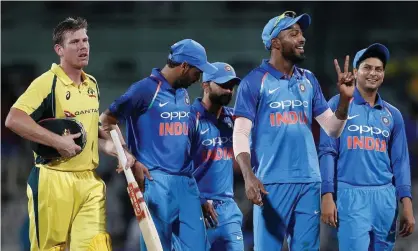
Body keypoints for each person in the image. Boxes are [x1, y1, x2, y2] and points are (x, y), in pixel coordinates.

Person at [5, 17, 134, 250]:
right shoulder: (47, 83)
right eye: (74, 42)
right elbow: (14, 119)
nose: (83, 46)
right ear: (59, 50)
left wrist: (111, 148)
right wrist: (57, 141)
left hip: (89, 181)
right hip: (54, 179)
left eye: (85, 40)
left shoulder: (92, 83)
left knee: (96, 246)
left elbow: (88, 130)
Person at [232, 10, 355, 250]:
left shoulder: (309, 79)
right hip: (271, 183)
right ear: (275, 43)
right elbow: (240, 134)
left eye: (302, 33)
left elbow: (332, 129)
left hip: (310, 181)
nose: (302, 38)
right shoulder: (254, 81)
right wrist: (248, 176)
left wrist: (344, 100)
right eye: (294, 33)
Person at [99, 39, 218, 251]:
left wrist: (198, 192)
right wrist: (126, 155)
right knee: (157, 248)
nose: (199, 78)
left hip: (187, 184)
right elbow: (106, 121)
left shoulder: (182, 92)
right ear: (184, 67)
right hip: (156, 181)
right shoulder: (144, 90)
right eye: (197, 72)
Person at [319, 43, 415, 250]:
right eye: (367, 68)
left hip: (385, 199)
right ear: (355, 72)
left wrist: (406, 203)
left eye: (378, 69)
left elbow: (400, 162)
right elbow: (327, 151)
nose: (373, 73)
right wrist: (327, 194)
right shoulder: (337, 104)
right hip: (350, 195)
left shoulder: (393, 115)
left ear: (383, 74)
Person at [189, 62, 244, 250]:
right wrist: (199, 199)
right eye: (223, 85)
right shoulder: (189, 118)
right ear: (205, 85)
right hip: (196, 209)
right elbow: (176, 166)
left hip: (228, 211)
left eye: (231, 87)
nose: (228, 91)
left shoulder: (234, 120)